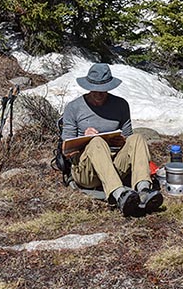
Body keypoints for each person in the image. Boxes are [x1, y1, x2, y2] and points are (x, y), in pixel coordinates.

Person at [61, 63, 163, 216]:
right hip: (87, 171)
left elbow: (128, 139)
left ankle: (143, 190)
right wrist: (85, 138)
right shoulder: (74, 108)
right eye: (95, 89)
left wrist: (120, 141)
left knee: (137, 138)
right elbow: (67, 149)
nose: (99, 94)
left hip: (115, 164)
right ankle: (119, 195)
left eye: (103, 90)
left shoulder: (120, 105)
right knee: (96, 142)